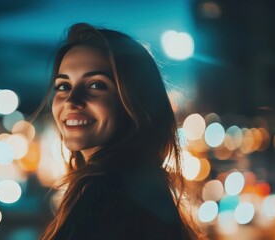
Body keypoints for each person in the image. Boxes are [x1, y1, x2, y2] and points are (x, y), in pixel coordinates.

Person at [35, 23, 205, 240]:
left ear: (135, 102)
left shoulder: (105, 199)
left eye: (96, 85)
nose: (71, 101)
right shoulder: (141, 186)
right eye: (63, 86)